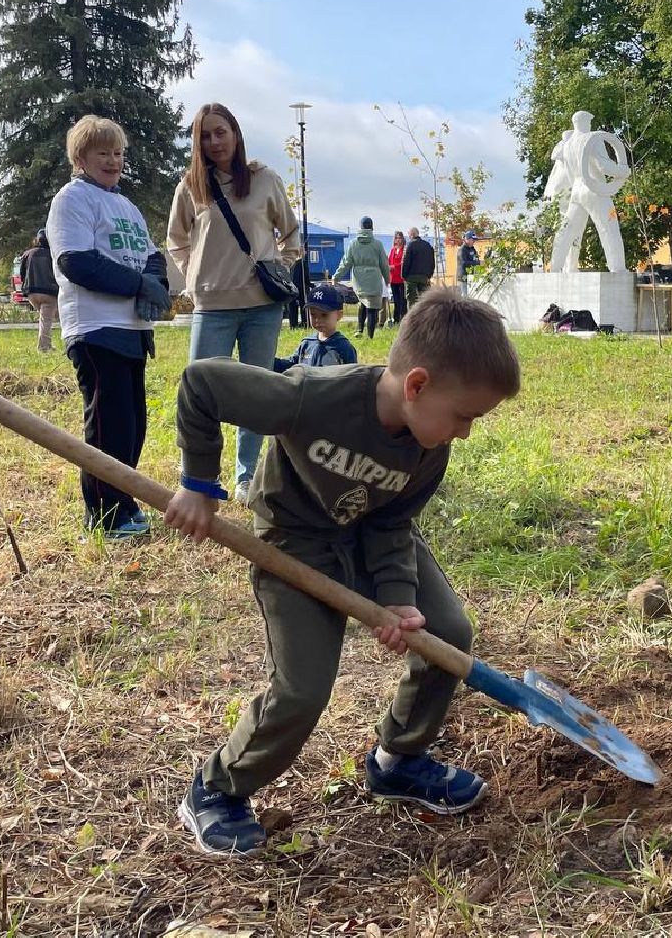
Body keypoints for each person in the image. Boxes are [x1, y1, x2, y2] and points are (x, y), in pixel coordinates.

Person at [164, 288, 522, 856]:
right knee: (303, 688)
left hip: (367, 534)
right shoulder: (315, 397)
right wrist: (199, 485)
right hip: (295, 544)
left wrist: (398, 598)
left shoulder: (430, 447)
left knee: (445, 634)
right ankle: (217, 789)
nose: (465, 432)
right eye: (464, 416)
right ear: (417, 385)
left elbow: (394, 523)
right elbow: (203, 384)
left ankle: (398, 759)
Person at [168, 103, 303, 501]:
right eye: (205, 135)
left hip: (263, 305)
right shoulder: (190, 186)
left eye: (220, 132)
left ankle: (246, 477)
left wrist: (279, 266)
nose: (214, 142)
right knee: (198, 393)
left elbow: (291, 234)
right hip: (211, 306)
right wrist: (196, 276)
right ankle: (198, 476)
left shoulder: (264, 179)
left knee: (255, 394)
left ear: (236, 133)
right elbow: (177, 240)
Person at [47, 114, 171, 539]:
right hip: (96, 328)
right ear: (80, 157)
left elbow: (152, 254)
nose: (113, 160)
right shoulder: (73, 199)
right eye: (103, 152)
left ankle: (123, 503)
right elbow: (75, 261)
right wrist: (139, 284)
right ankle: (104, 515)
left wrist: (155, 282)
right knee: (107, 425)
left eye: (118, 153)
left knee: (134, 424)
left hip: (133, 330)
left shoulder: (126, 205)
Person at [544, 110, 631, 273]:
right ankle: (618, 269)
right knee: (609, 228)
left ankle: (555, 268)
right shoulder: (592, 139)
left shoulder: (567, 145)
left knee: (568, 230)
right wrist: (622, 171)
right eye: (589, 121)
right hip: (595, 190)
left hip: (577, 190)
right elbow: (603, 166)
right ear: (585, 122)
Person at [273, 284, 357, 371]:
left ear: (339, 315)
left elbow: (353, 378)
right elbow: (291, 364)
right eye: (313, 314)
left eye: (324, 315)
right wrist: (271, 362)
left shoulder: (343, 347)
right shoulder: (307, 343)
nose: (317, 320)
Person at [334, 216, 389, 338]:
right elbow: (384, 263)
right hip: (374, 279)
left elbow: (346, 262)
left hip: (359, 279)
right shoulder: (378, 244)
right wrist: (387, 278)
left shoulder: (353, 244)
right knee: (372, 307)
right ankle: (370, 335)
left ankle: (359, 329)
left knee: (362, 302)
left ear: (360, 227)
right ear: (372, 227)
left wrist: (337, 276)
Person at [20, 227, 60, 352]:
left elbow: (22, 273)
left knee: (46, 318)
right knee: (48, 319)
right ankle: (44, 347)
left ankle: (46, 344)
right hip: (49, 291)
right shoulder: (53, 254)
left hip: (31, 292)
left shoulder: (27, 253)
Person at [401, 226, 435, 308]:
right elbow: (432, 262)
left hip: (411, 277)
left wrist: (404, 275)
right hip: (424, 277)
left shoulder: (410, 245)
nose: (409, 237)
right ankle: (425, 318)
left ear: (412, 234)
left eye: (409, 235)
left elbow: (406, 262)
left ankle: (412, 318)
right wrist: (429, 275)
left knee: (411, 300)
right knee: (425, 300)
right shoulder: (428, 246)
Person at [387, 230, 407, 326]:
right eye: (396, 238)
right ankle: (396, 319)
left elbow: (403, 263)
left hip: (401, 278)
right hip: (393, 278)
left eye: (400, 238)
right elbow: (389, 261)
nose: (398, 240)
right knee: (395, 300)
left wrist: (394, 266)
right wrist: (388, 267)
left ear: (403, 239)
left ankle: (403, 318)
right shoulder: (392, 250)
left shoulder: (404, 250)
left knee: (402, 300)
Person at [456, 231, 481, 297]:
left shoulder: (472, 248)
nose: (474, 241)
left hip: (471, 276)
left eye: (474, 240)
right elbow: (463, 263)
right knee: (464, 296)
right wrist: (477, 263)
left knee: (471, 296)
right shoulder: (462, 249)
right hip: (463, 276)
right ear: (467, 239)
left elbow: (475, 258)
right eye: (473, 240)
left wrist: (478, 261)